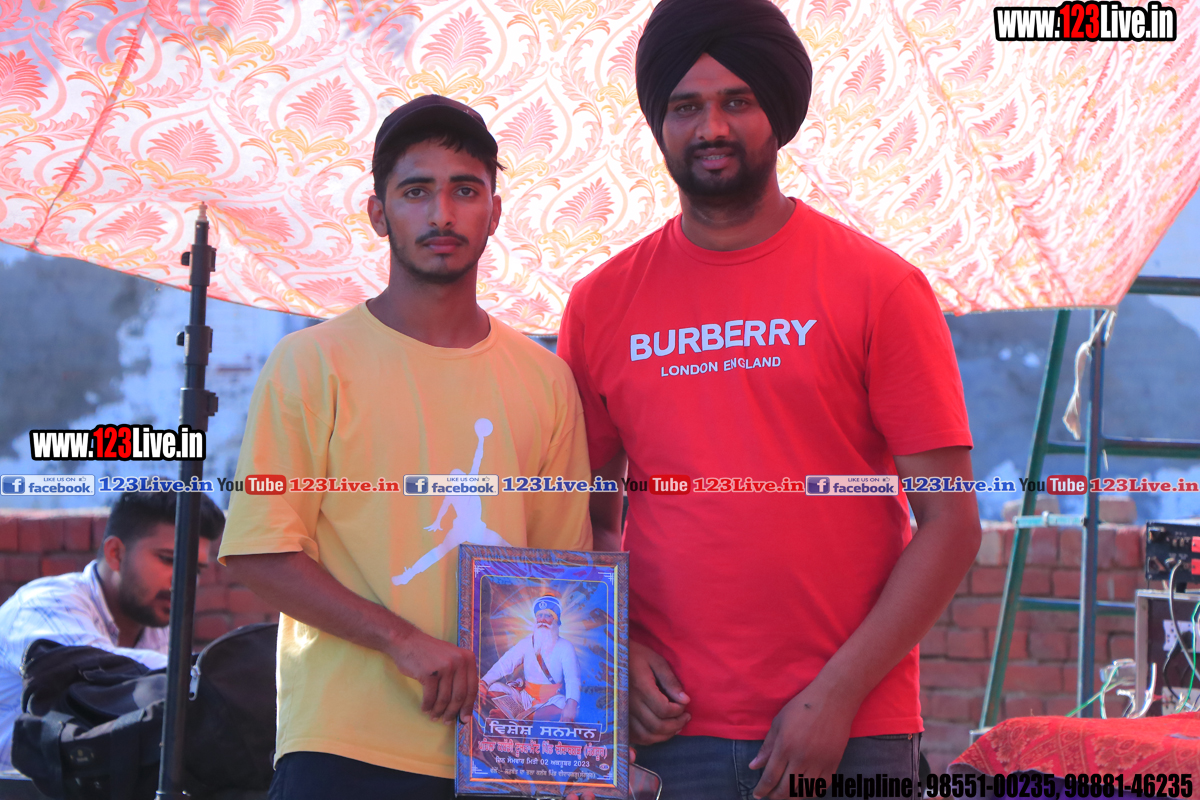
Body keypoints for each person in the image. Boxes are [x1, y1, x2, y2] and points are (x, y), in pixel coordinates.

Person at [556, 1, 983, 797]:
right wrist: (613, 645)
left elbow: (951, 521)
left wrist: (838, 695)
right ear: (659, 123)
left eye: (737, 100)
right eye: (686, 106)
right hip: (664, 730)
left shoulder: (880, 286)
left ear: (777, 114)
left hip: (851, 730)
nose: (711, 127)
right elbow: (583, 515)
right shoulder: (601, 303)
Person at [219, 95, 593, 800]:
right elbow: (259, 551)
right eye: (416, 191)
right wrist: (401, 640)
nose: (441, 214)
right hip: (341, 744)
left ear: (495, 212)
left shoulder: (546, 380)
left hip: (504, 750)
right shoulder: (311, 362)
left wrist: (577, 740)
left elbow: (558, 577)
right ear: (378, 212)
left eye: (465, 191)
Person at [0, 488, 223, 774]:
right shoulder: (45, 605)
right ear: (115, 553)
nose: (186, 580)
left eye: (197, 570)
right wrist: (218, 674)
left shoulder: (157, 624)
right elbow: (102, 679)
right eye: (169, 560)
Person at [480, 594, 581, 722]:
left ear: (556, 620)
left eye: (548, 616)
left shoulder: (566, 647)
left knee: (559, 706)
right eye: (540, 615)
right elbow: (505, 663)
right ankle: (522, 715)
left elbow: (572, 678)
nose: (542, 620)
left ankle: (516, 715)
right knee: (494, 688)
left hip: (551, 700)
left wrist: (571, 705)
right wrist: (484, 682)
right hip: (525, 698)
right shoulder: (526, 643)